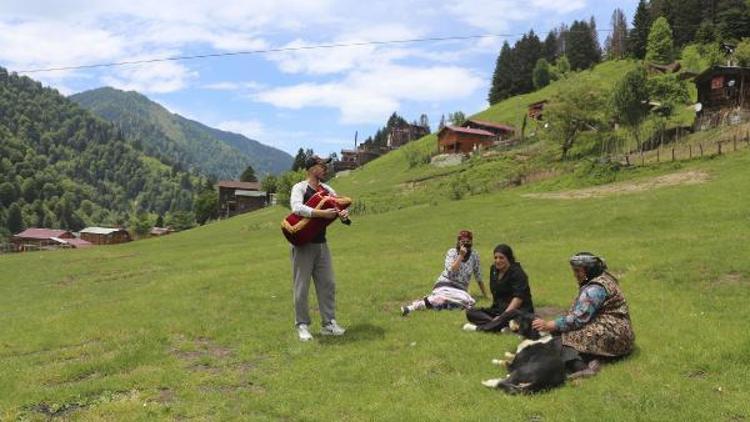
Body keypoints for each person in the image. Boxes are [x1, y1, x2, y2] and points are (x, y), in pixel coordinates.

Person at [531, 252, 635, 377]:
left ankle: (581, 367)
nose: (575, 275)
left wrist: (550, 325)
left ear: (589, 270)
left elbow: (578, 318)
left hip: (613, 334)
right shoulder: (602, 278)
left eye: (578, 271)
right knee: (562, 334)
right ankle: (594, 359)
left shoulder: (595, 289)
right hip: (620, 332)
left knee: (565, 338)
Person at [289, 155, 349, 342]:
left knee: (328, 283)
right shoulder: (299, 188)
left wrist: (343, 214)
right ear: (311, 168)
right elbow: (296, 208)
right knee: (302, 287)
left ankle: (328, 324)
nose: (324, 169)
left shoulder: (328, 189)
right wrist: (320, 213)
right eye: (321, 165)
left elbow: (337, 204)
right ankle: (302, 326)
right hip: (303, 246)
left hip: (322, 245)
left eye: (325, 166)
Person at [400, 230, 487, 315]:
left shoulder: (474, 255)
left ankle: (434, 304)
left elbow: (478, 276)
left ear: (471, 242)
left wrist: (485, 295)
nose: (465, 243)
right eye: (463, 241)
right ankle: (412, 307)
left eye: (468, 241)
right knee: (442, 298)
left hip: (461, 288)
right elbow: (452, 270)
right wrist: (461, 256)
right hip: (446, 283)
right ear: (458, 242)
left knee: (464, 301)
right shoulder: (452, 252)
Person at [463, 244, 534, 332]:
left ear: (508, 258)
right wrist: (499, 316)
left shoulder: (518, 273)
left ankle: (479, 328)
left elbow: (518, 300)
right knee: (471, 312)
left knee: (513, 316)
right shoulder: (494, 270)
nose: (498, 260)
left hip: (516, 311)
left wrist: (503, 316)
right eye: (495, 258)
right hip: (499, 310)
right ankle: (502, 326)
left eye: (501, 258)